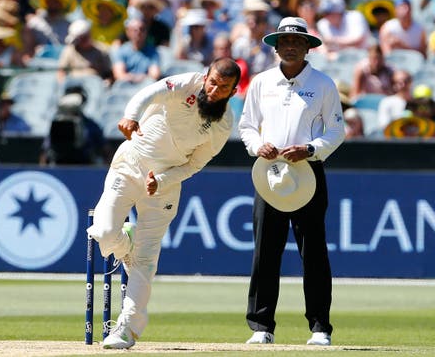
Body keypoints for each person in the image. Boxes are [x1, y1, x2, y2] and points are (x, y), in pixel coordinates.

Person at [86, 57, 241, 349]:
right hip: (130, 164)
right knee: (105, 232)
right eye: (212, 82)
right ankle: (124, 243)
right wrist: (131, 115)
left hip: (164, 185)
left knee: (145, 259)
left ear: (233, 91)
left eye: (223, 88)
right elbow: (150, 92)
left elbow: (195, 164)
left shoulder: (224, 123)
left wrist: (164, 180)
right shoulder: (187, 83)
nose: (214, 90)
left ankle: (127, 330)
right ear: (205, 76)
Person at [239, 17, 345, 346]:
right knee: (265, 253)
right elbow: (247, 126)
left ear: (308, 46)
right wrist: (259, 147)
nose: (290, 46)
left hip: (308, 172)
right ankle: (261, 326)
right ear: (275, 46)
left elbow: (336, 131)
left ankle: (320, 327)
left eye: (297, 42)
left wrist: (311, 148)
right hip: (269, 174)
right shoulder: (261, 82)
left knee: (313, 252)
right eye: (284, 41)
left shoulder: (324, 83)